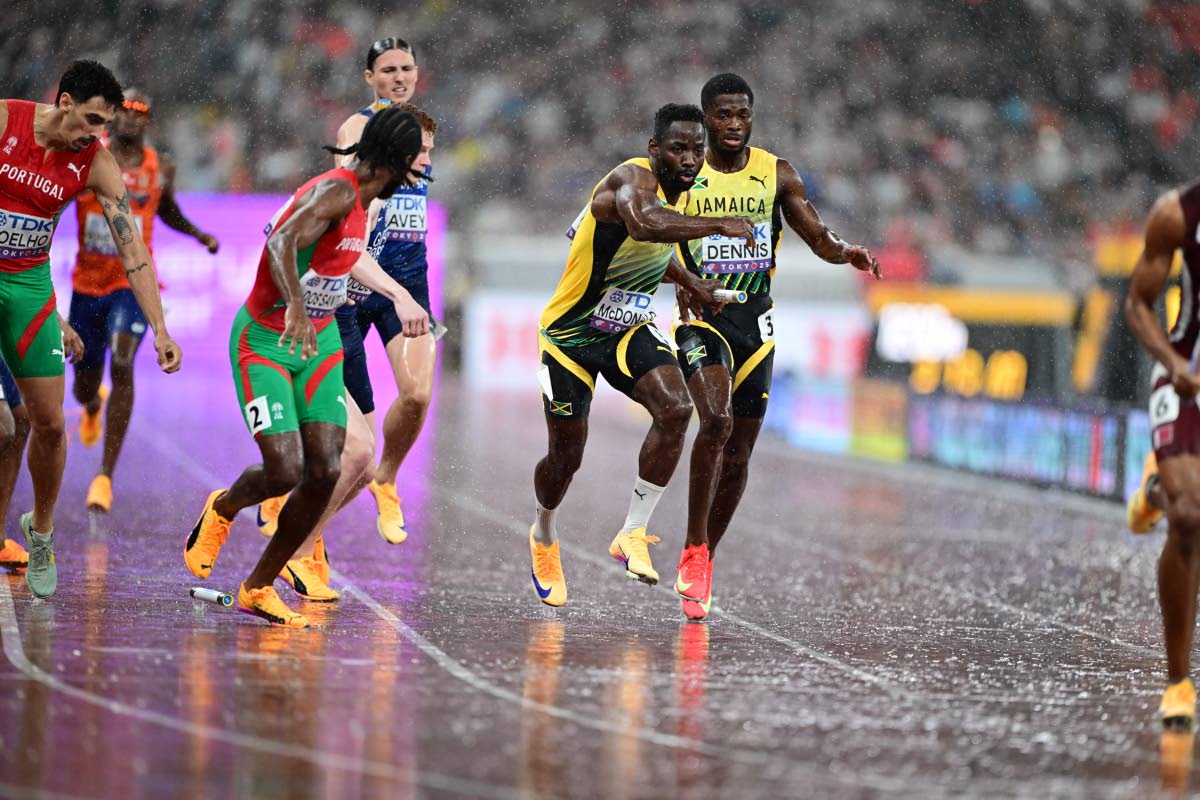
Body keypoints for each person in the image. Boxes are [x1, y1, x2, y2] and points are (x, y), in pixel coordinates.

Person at [183, 107, 429, 627]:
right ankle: (224, 508)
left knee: (327, 469)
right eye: (419, 157)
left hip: (318, 346)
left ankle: (257, 587)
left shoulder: (371, 202)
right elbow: (279, 241)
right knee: (285, 469)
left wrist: (394, 296)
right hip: (265, 341)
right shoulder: (336, 191)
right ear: (397, 161)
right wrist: (295, 301)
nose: (424, 167)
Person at [664, 74, 881, 621]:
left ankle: (707, 555)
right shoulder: (684, 173)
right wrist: (685, 283)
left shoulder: (776, 173)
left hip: (755, 322)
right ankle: (691, 548)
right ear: (706, 119)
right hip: (703, 317)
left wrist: (845, 252)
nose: (734, 125)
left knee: (738, 453)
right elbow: (644, 235)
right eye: (722, 116)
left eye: (742, 114)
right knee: (713, 422)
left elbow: (816, 233)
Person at [529, 103, 754, 608]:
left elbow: (656, 246)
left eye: (698, 149)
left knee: (677, 409)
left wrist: (691, 279)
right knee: (567, 456)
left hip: (627, 328)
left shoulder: (683, 194)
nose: (691, 159)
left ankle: (632, 532)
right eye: (679, 148)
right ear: (656, 150)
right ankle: (544, 530)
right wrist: (716, 227)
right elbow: (646, 225)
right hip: (571, 336)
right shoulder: (629, 180)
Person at [0, 59, 181, 599]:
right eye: (92, 120)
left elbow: (134, 250)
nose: (96, 134)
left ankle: (42, 531)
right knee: (2, 425)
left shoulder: (94, 163)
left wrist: (161, 328)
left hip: (30, 290)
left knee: (50, 423)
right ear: (64, 103)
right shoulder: (6, 122)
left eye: (104, 125)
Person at [69, 89, 219, 512]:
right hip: (87, 284)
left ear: (149, 122)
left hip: (135, 284)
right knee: (83, 383)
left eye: (142, 112)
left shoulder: (160, 168)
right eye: (126, 110)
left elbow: (166, 210)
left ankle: (104, 477)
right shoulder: (87, 157)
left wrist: (199, 235)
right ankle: (92, 404)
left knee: (122, 361)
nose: (133, 119)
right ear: (113, 116)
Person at [1125, 176, 1200, 728]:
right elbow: (1137, 304)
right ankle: (1179, 683)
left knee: (1181, 502)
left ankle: (1153, 488)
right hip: (1185, 376)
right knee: (1191, 517)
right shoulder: (1176, 213)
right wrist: (1173, 364)